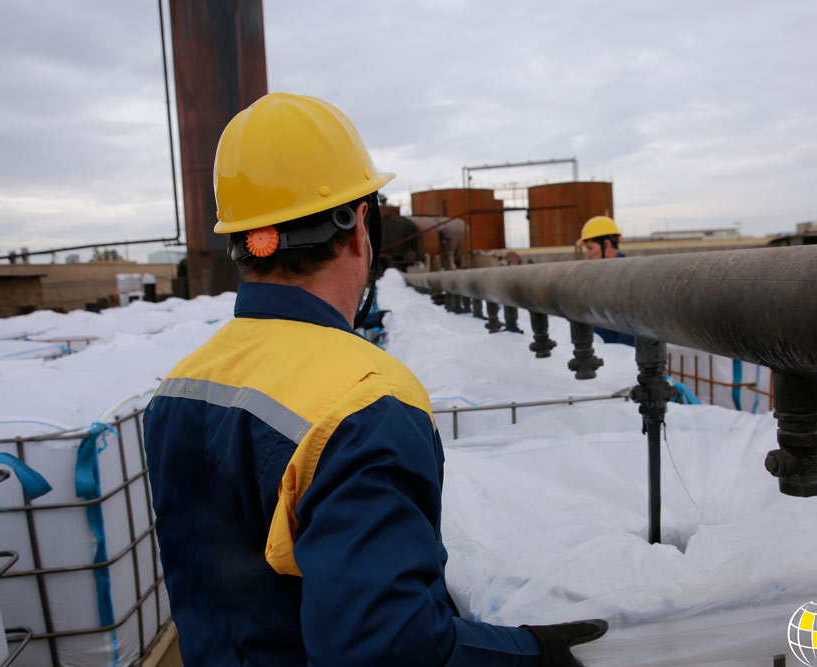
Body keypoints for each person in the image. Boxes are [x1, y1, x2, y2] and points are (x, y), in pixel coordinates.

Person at [143, 92, 607, 666]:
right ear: (362, 225)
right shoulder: (365, 401)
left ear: (243, 242)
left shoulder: (180, 386)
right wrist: (530, 652)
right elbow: (389, 650)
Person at [576, 216, 634, 346]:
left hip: (616, 358)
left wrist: (611, 359)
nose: (588, 255)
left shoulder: (626, 279)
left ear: (606, 245)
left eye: (590, 248)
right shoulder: (602, 278)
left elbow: (631, 337)